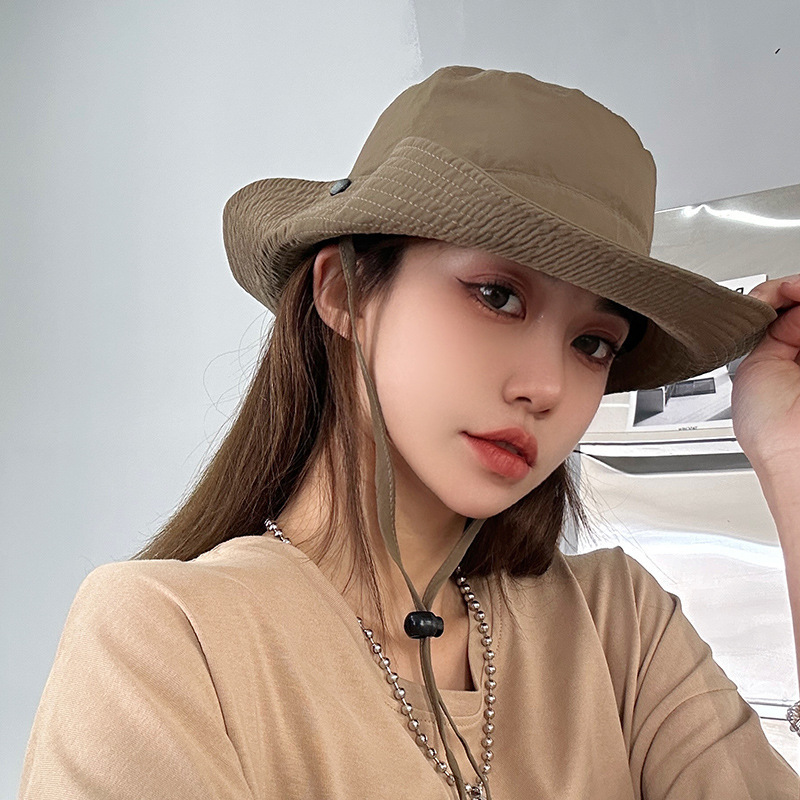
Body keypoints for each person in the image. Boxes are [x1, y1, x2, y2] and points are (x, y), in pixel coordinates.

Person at [18, 65, 800, 799]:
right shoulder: (169, 638)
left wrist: (788, 454)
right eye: (497, 296)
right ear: (344, 291)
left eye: (593, 343)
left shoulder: (617, 626)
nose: (548, 388)